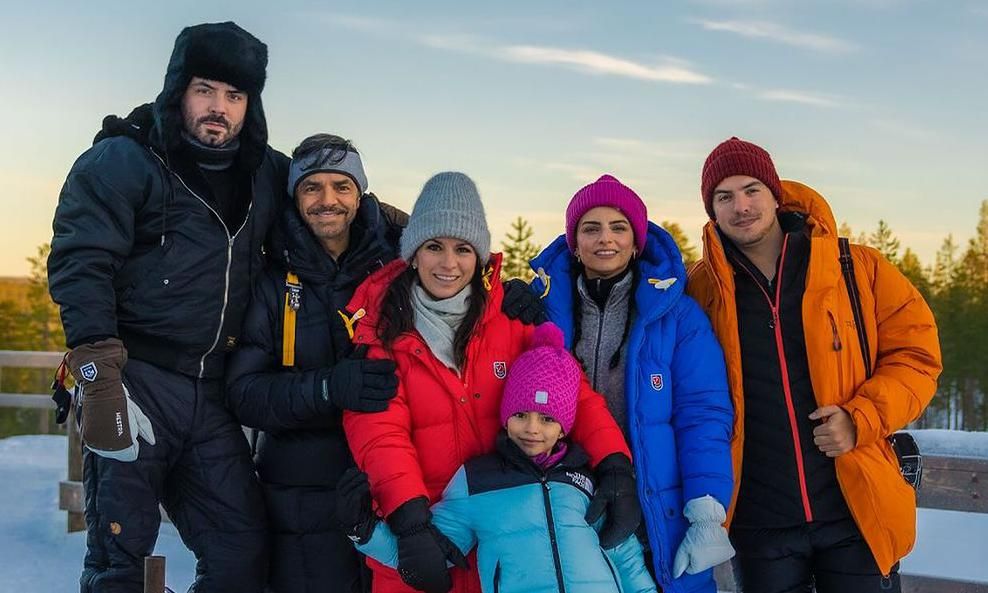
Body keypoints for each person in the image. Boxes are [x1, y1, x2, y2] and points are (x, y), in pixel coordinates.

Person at [48, 22, 285, 593]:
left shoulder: (267, 174)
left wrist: (411, 232)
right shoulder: (124, 161)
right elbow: (82, 263)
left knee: (242, 552)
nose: (218, 108)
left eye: (234, 96)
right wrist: (98, 376)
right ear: (178, 88)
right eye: (206, 89)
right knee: (118, 558)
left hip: (214, 396)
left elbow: (334, 206)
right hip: (137, 381)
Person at [342, 172, 637, 593]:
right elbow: (379, 435)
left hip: (505, 543)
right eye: (434, 247)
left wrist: (614, 465)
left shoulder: (510, 322)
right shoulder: (383, 333)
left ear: (479, 256)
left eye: (463, 249)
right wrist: (409, 521)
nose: (448, 264)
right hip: (424, 538)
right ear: (412, 254)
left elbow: (574, 394)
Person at [686, 137, 942, 592]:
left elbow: (916, 356)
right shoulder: (701, 291)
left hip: (855, 509)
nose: (741, 206)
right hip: (759, 519)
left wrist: (860, 417)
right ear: (712, 210)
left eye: (751, 190)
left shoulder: (854, 268)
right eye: (724, 197)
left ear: (774, 193)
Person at [337, 322, 658, 593]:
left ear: (564, 429)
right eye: (521, 414)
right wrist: (364, 531)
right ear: (505, 417)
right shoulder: (478, 481)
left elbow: (624, 556)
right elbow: (427, 553)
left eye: (547, 419)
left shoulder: (584, 479)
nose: (532, 429)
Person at [528, 174, 735, 593]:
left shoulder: (678, 318)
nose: (606, 239)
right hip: (569, 499)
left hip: (657, 502)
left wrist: (707, 510)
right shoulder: (541, 312)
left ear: (637, 242)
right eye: (591, 228)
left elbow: (703, 415)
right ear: (574, 242)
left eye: (619, 227)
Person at [225, 134, 405, 593]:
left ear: (360, 193)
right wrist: (327, 388)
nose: (328, 200)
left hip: (392, 483)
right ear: (295, 195)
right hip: (298, 498)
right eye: (312, 187)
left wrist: (514, 297)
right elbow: (244, 394)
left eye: (341, 186)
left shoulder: (399, 267)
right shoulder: (271, 279)